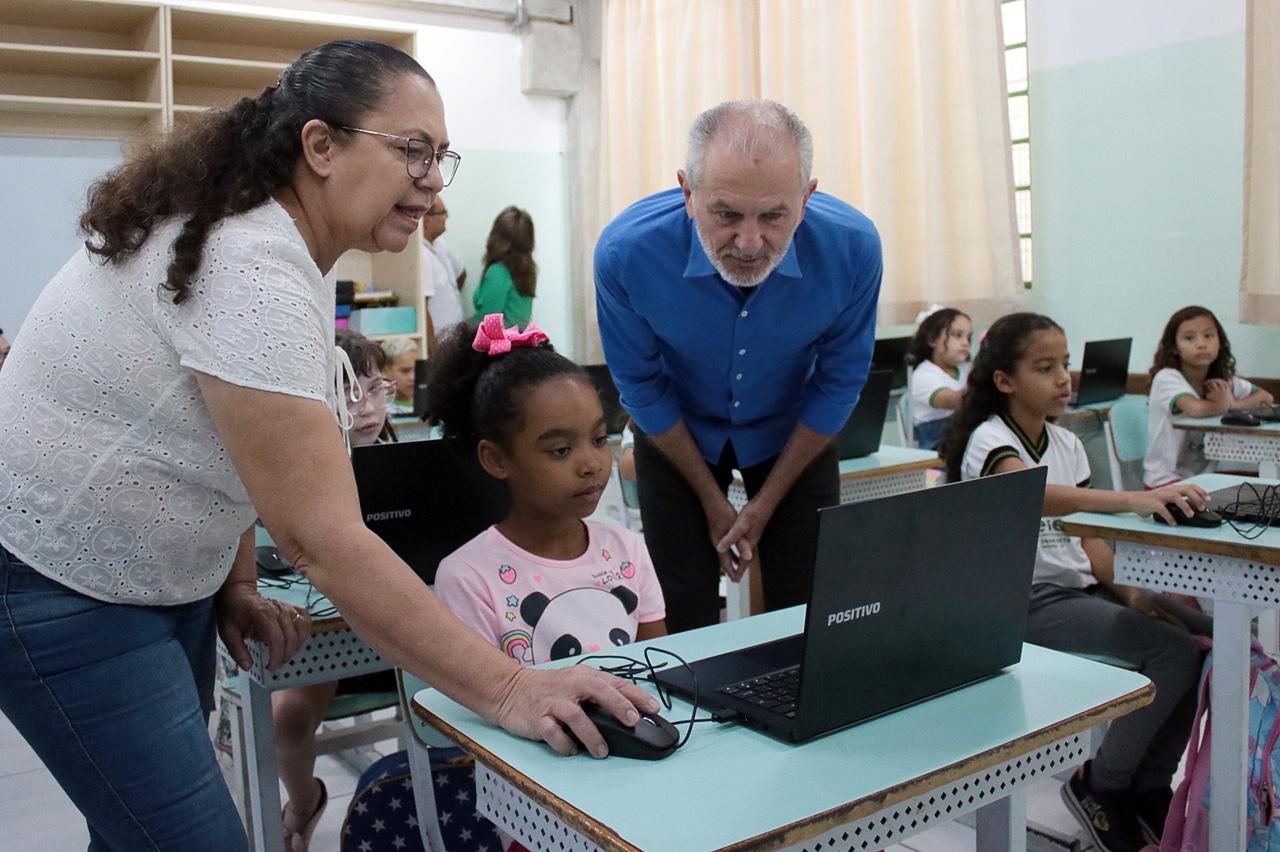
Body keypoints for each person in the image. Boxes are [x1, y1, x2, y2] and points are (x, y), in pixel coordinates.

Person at [0, 39, 658, 852]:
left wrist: (236, 579)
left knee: (133, 833)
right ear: (320, 145)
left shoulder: (280, 252)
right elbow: (322, 541)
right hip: (59, 582)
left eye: (440, 156)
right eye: (412, 150)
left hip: (157, 581)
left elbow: (219, 440)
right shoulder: (248, 267)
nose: (430, 177)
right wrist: (511, 687)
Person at [594, 99, 881, 632]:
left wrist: (762, 506)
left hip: (791, 431)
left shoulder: (853, 249)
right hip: (676, 431)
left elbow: (839, 382)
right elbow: (640, 384)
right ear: (687, 193)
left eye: (775, 215)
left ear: (806, 198)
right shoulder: (626, 253)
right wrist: (713, 499)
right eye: (725, 214)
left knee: (810, 611)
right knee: (679, 609)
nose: (749, 243)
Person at [940, 312, 1212, 852]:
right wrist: (1131, 498)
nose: (1064, 378)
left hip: (1076, 592)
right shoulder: (988, 441)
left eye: (1065, 365)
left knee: (1205, 642)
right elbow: (1034, 493)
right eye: (1045, 368)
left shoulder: (1069, 444)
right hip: (1018, 602)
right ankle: (1100, 786)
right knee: (1172, 654)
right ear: (1005, 381)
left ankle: (1148, 786)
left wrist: (1131, 592)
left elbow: (1090, 545)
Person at [429, 314, 666, 669]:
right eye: (561, 450)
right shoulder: (468, 578)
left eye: (599, 439)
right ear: (495, 459)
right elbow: (485, 701)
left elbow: (659, 670)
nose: (591, 464)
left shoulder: (627, 550)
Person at [272, 328, 396, 852]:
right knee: (289, 717)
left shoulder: (410, 470)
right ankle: (304, 800)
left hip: (397, 637)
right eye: (346, 391)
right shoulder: (299, 474)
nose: (364, 406)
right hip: (329, 640)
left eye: (375, 388)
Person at [1144, 305, 1274, 488]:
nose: (1201, 344)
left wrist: (1234, 405)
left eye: (1209, 336)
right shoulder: (1167, 377)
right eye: (1189, 338)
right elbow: (1196, 409)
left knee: (1265, 487)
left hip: (1204, 479)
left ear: (1220, 342)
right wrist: (1225, 403)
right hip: (1166, 481)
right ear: (1174, 347)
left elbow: (1265, 398)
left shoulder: (1221, 380)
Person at [905, 307, 972, 449]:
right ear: (933, 339)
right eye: (957, 335)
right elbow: (954, 401)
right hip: (937, 449)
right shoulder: (923, 375)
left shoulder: (967, 369)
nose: (965, 343)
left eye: (968, 337)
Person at [473, 206, 536, 329]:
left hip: (500, 346)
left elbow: (487, 322)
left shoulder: (498, 272)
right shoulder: (528, 271)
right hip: (520, 344)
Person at [421, 198, 467, 356]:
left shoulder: (440, 244)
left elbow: (461, 273)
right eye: (443, 213)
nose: (446, 217)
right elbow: (423, 308)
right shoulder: (421, 255)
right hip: (441, 347)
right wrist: (433, 352)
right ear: (426, 219)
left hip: (455, 341)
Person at [380, 335, 420, 414]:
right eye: (405, 371)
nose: (413, 377)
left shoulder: (430, 403)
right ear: (385, 371)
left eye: (417, 370)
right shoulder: (380, 410)